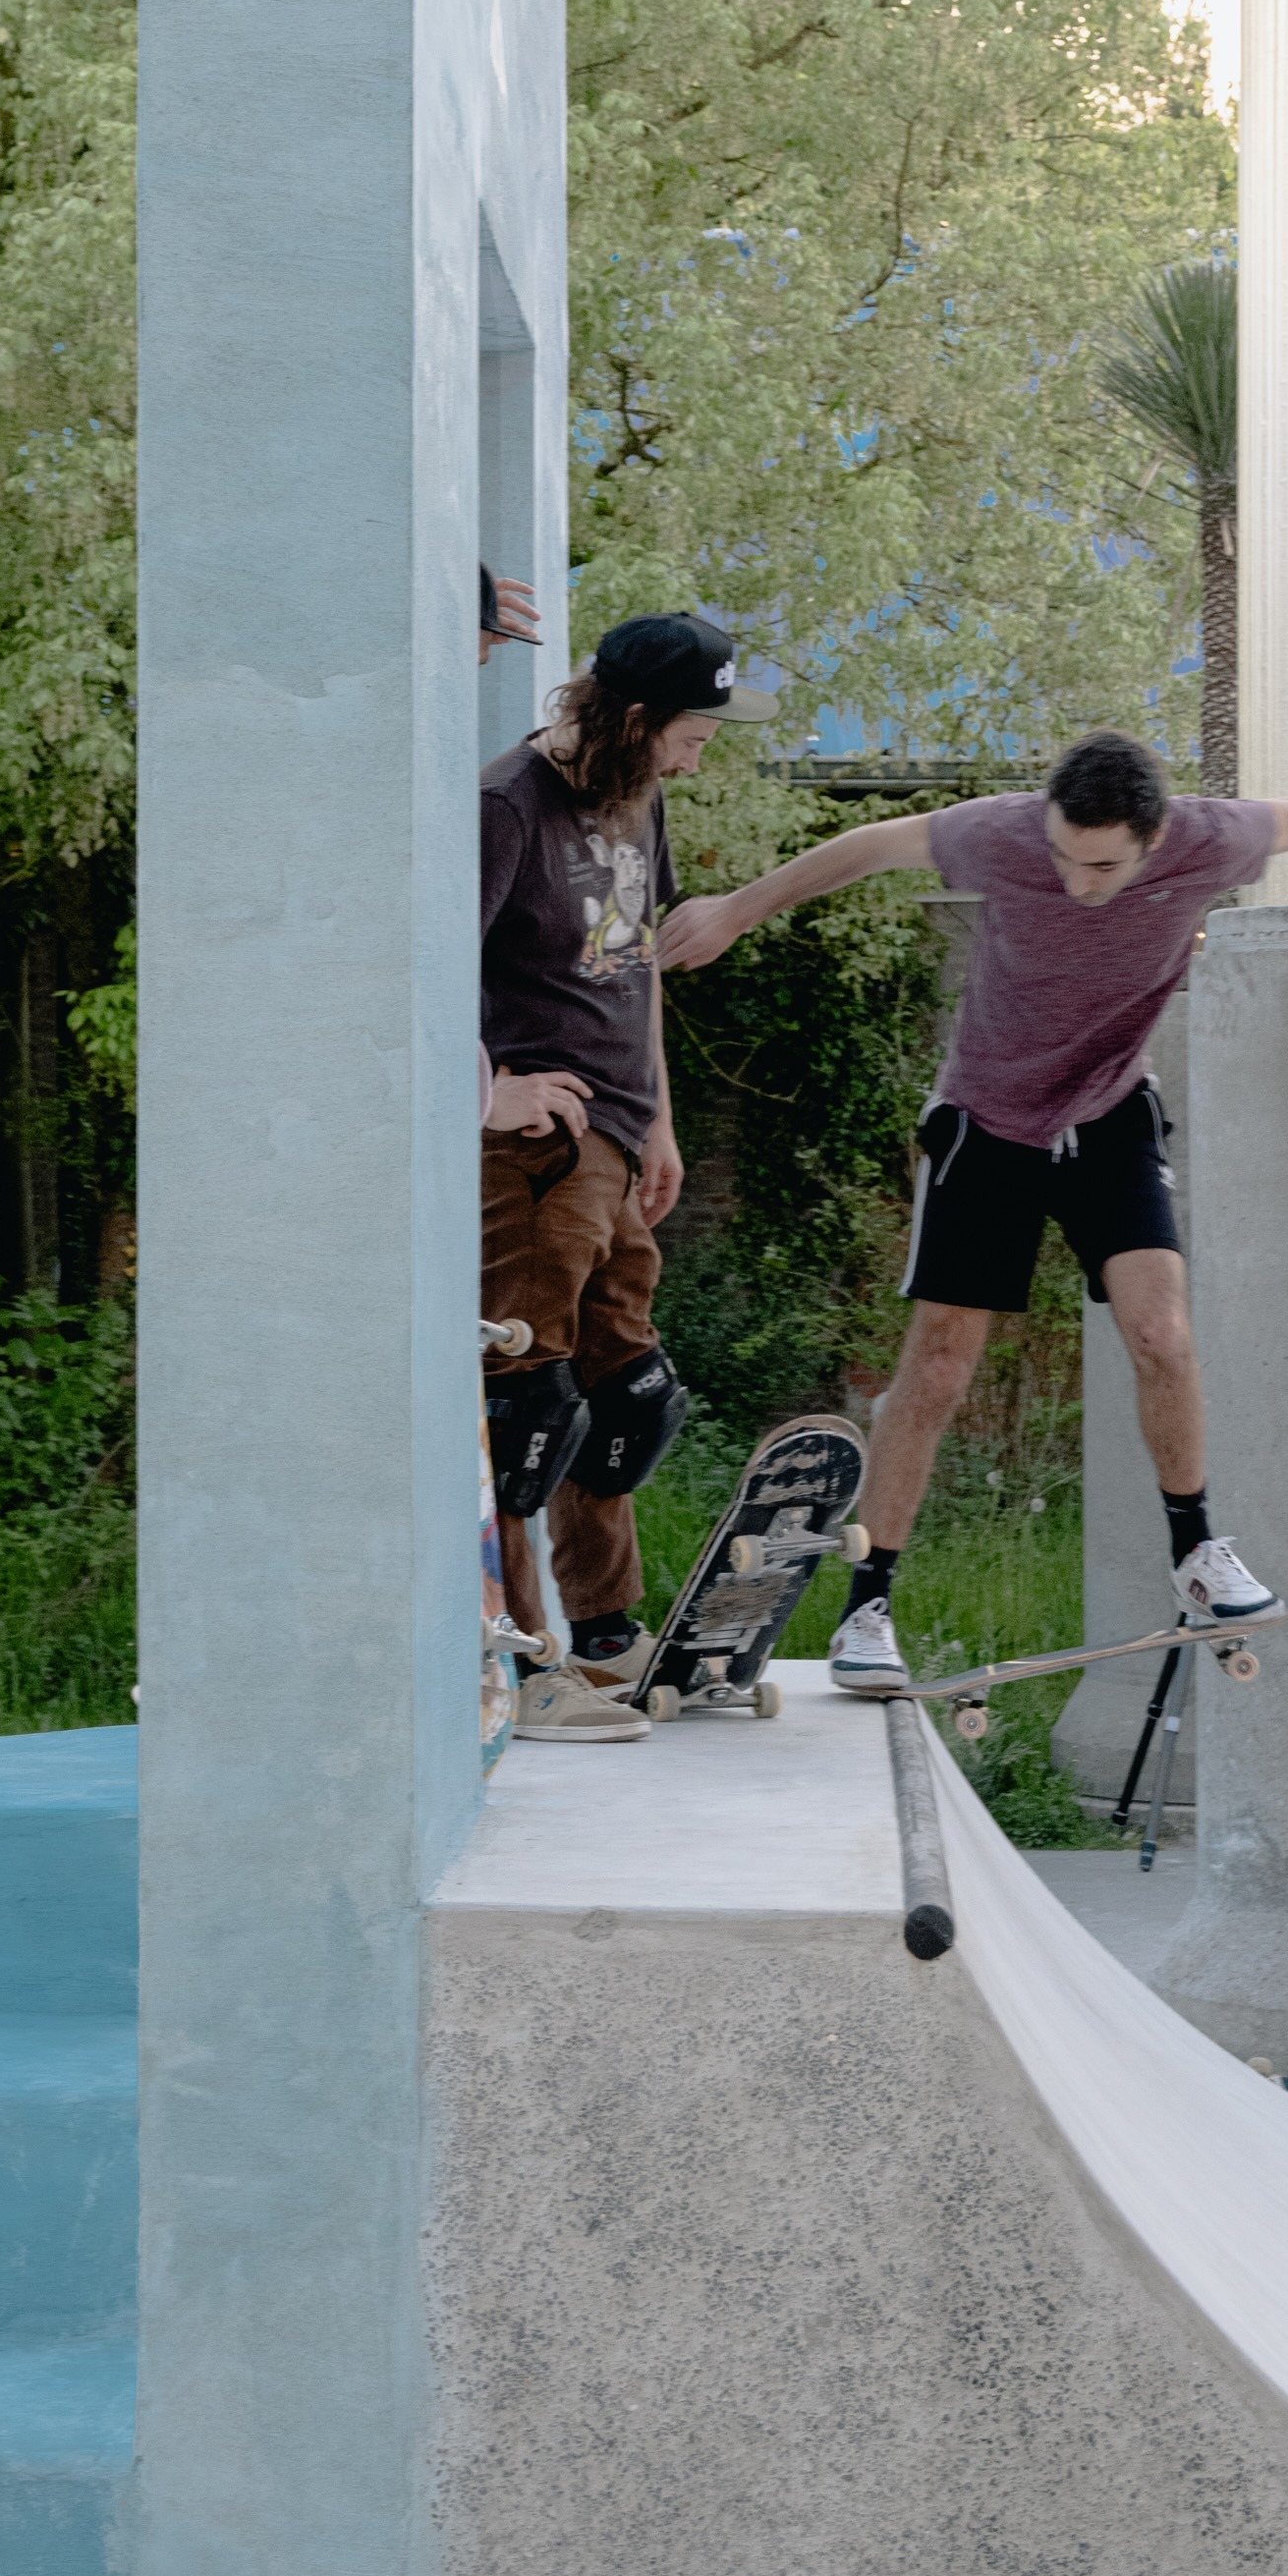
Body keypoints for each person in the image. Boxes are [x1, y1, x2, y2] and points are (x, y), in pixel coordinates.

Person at [655, 729, 1288, 1696]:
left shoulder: (1216, 838)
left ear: (1156, 839)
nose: (1078, 881)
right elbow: (865, 844)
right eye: (1062, 856)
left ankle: (1196, 1551)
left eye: (1102, 866)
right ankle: (866, 1605)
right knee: (939, 1366)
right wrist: (734, 911)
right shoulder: (995, 834)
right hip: (985, 1123)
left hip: (1111, 1114)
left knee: (1160, 1329)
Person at [479, 607, 742, 1738]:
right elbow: (423, 963)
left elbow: (637, 966)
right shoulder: (505, 808)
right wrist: (488, 1089)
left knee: (620, 1398)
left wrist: (664, 1121)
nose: (701, 751)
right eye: (692, 731)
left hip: (624, 1134)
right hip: (537, 1154)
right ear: (636, 720)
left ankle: (599, 1637)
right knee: (526, 1403)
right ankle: (519, 1663)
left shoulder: (638, 794)